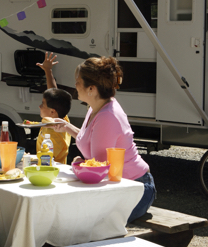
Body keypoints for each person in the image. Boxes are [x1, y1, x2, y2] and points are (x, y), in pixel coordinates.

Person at [52, 56, 156, 222]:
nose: (75, 85)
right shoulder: (97, 107)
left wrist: (80, 162)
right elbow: (91, 138)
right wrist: (66, 127)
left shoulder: (107, 115)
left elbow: (98, 170)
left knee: (85, 222)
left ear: (91, 89)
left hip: (136, 190)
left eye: (78, 81)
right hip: (121, 186)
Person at [35, 52, 73, 164]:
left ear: (52, 111)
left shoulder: (55, 135)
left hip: (52, 173)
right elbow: (54, 95)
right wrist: (48, 71)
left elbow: (47, 161)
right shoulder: (62, 118)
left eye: (42, 104)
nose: (39, 106)